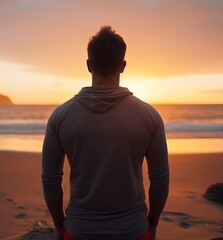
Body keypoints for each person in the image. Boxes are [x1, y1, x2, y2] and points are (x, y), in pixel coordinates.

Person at [42, 26, 169, 240]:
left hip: (79, 230)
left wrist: (59, 224)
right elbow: (160, 179)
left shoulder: (61, 116)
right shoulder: (149, 116)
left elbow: (50, 179)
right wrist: (152, 222)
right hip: (134, 230)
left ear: (89, 66)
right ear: (123, 66)